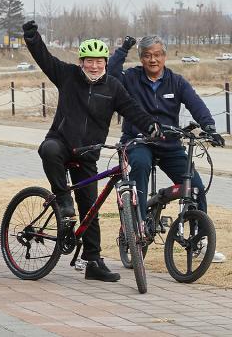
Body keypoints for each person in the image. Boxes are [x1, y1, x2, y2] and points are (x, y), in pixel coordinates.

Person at [22, 21, 160, 282]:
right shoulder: (68, 75)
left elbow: (132, 110)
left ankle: (93, 261)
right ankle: (62, 200)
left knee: (90, 208)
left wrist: (152, 126)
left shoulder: (114, 88)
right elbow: (45, 59)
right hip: (61, 142)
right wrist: (32, 37)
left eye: (99, 61)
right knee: (48, 150)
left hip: (89, 152)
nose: (94, 66)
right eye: (89, 61)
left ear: (106, 62)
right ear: (82, 61)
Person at [109, 35, 226, 263]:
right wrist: (123, 49)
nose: (153, 60)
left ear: (164, 56)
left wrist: (210, 127)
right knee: (140, 166)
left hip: (170, 143)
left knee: (195, 187)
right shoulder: (131, 78)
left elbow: (196, 104)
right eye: (147, 55)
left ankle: (198, 240)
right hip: (138, 140)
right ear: (141, 58)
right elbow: (111, 75)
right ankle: (138, 230)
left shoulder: (176, 81)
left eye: (157, 55)